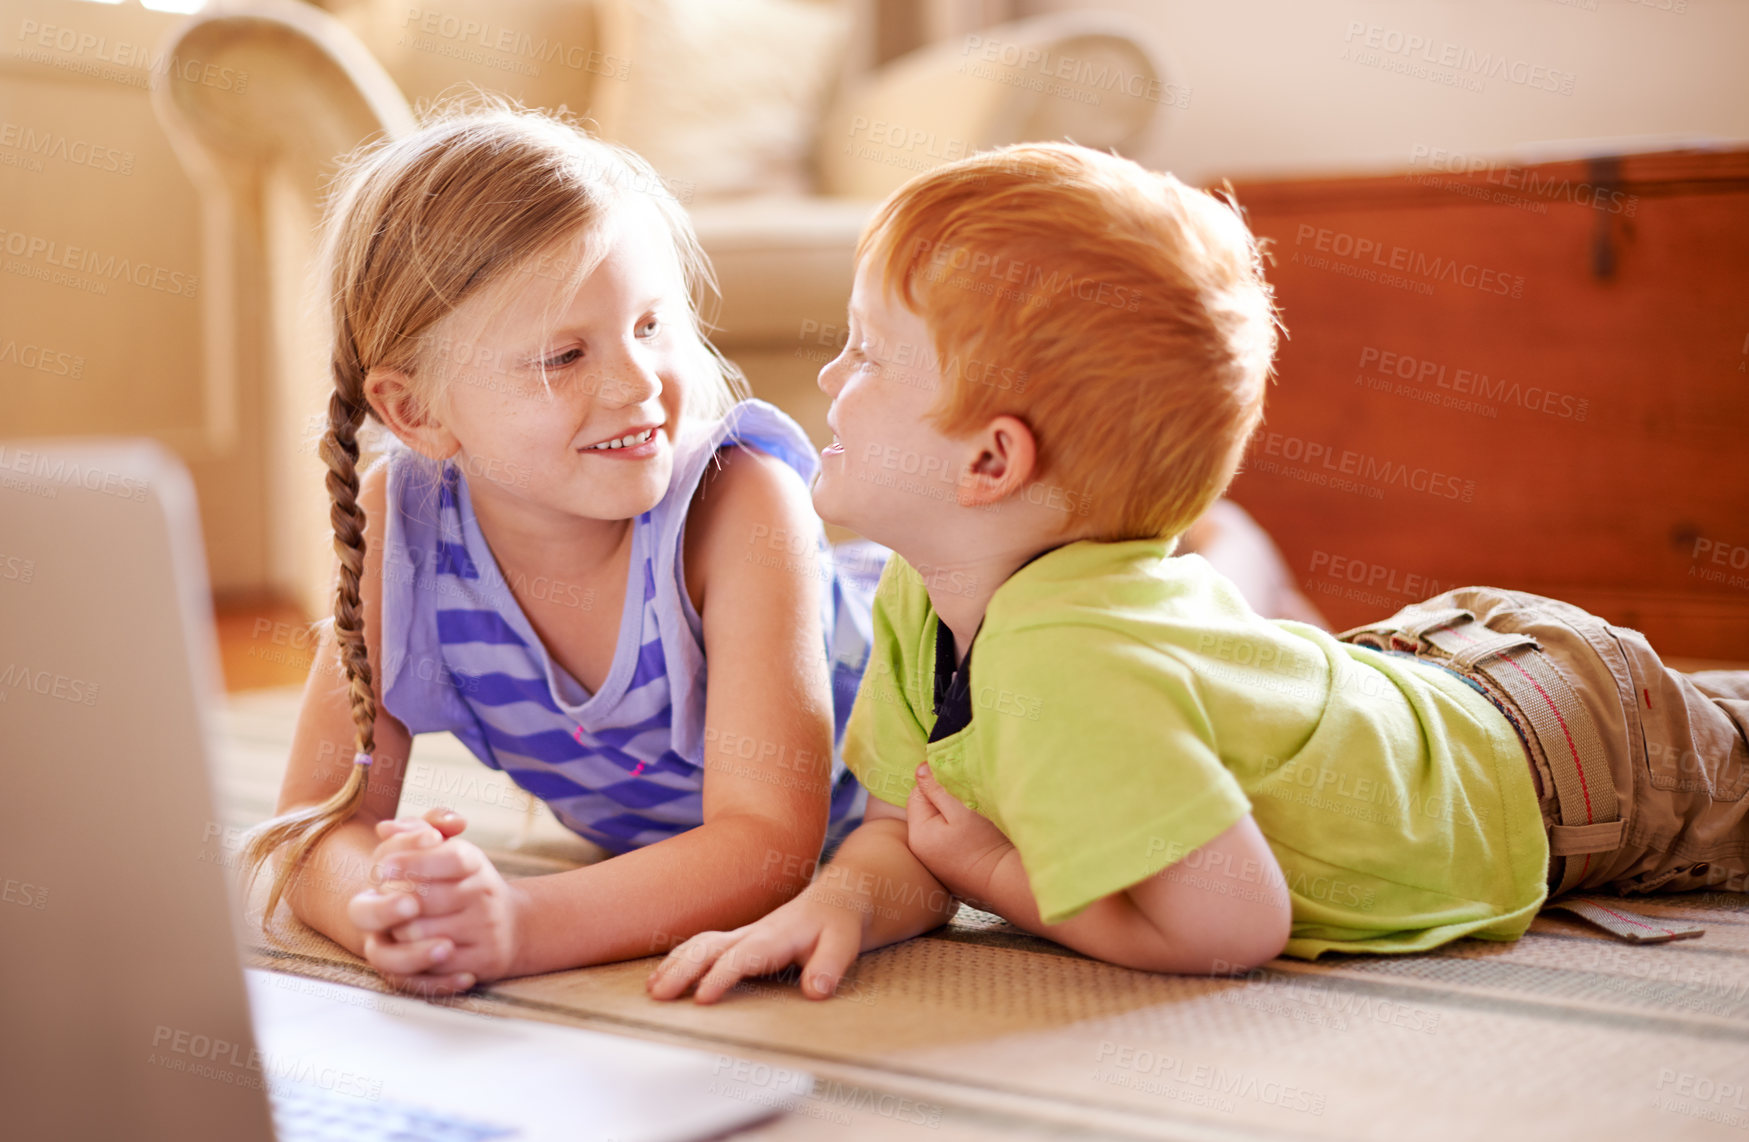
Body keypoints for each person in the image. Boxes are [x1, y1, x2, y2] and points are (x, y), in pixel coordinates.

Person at [647, 142, 1749, 1003]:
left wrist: (994, 875)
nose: (831, 374)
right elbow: (905, 825)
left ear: (990, 460)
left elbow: (1229, 924)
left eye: (868, 352)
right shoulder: (917, 587)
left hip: (1572, 763)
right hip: (1446, 671)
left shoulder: (1070, 656)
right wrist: (843, 897)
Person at [239, 98, 885, 996]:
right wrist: (394, 914)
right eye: (564, 357)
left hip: (946, 769)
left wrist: (520, 926)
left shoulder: (739, 501)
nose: (636, 383)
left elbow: (770, 846)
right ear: (415, 412)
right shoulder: (407, 525)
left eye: (650, 326)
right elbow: (314, 828)